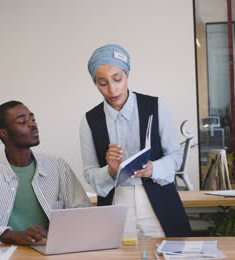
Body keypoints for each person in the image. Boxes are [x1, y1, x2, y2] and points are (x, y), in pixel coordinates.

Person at [80, 44, 191, 237]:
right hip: (115, 205)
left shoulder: (155, 107)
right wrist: (111, 170)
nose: (112, 89)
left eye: (117, 79)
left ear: (127, 75)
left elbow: (175, 156)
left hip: (159, 202)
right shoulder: (89, 120)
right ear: (95, 83)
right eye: (102, 83)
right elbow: (89, 173)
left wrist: (152, 169)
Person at [0, 101, 91, 244]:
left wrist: (58, 234)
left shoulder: (57, 166)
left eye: (33, 119)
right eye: (22, 122)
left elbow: (84, 212)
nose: (32, 124)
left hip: (50, 252)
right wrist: (12, 235)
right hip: (3, 254)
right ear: (4, 133)